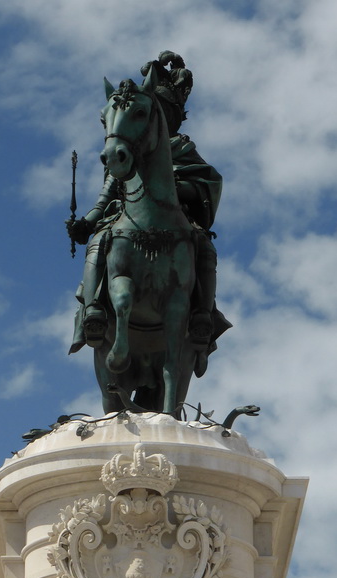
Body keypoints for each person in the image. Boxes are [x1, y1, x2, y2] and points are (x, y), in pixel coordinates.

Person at [68, 51, 229, 372]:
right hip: (124, 214)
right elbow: (108, 191)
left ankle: (202, 314)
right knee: (99, 243)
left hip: (178, 216)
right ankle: (93, 309)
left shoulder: (182, 146)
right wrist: (87, 221)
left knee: (204, 248)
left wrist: (175, 189)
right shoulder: (130, 148)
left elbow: (207, 181)